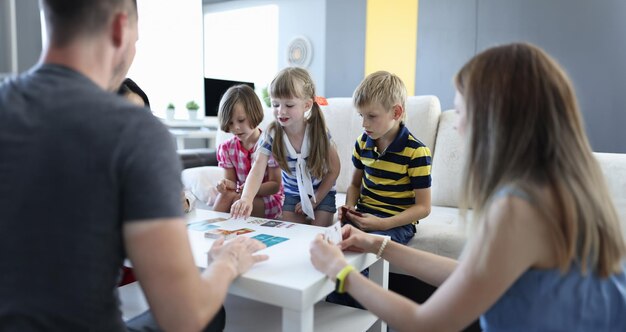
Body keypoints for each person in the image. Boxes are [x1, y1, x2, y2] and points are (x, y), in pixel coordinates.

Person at [310, 43, 626, 331]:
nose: (458, 124)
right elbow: (470, 274)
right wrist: (375, 243)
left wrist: (340, 272)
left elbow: (428, 323)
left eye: (461, 111)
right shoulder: (556, 184)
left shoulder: (518, 207)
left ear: (496, 117)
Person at [0, 1, 267, 331]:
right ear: (119, 28)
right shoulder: (135, 131)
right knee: (211, 312)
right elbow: (183, 317)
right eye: (137, 39)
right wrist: (226, 263)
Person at [231, 67, 340, 226]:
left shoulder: (318, 132)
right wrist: (246, 198)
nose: (281, 111)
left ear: (307, 105)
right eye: (275, 104)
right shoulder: (272, 133)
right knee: (291, 233)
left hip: (322, 193)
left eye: (289, 105)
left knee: (320, 235)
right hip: (293, 195)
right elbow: (258, 167)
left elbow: (334, 170)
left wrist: (315, 200)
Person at [339, 71, 432, 245]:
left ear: (396, 112)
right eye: (361, 115)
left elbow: (424, 207)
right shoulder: (362, 143)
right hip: (363, 216)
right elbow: (354, 185)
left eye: (372, 116)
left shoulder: (416, 152)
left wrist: (383, 223)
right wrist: (349, 207)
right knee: (331, 241)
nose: (364, 124)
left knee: (364, 245)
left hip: (396, 223)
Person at [213, 84, 284, 219]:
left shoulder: (270, 144)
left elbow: (275, 186)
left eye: (241, 120)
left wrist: (248, 191)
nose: (236, 128)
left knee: (235, 202)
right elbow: (232, 184)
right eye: (230, 123)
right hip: (241, 196)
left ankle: (214, 228)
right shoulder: (227, 148)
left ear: (254, 113)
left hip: (269, 198)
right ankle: (208, 230)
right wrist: (225, 185)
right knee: (227, 194)